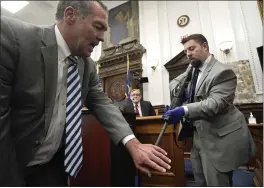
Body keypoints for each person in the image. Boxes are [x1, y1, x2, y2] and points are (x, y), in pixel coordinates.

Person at [0, 1, 171, 186]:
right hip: (11, 164)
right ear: (70, 15)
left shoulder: (87, 65)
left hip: (51, 167)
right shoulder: (15, 37)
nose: (103, 38)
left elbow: (102, 103)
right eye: (98, 27)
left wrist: (133, 144)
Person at [163, 34, 256, 186]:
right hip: (197, 137)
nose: (188, 54)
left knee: (216, 183)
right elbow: (173, 83)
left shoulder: (222, 72)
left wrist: (183, 109)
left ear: (205, 46)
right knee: (200, 182)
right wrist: (178, 96)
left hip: (218, 138)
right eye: (186, 51)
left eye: (192, 49)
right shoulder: (192, 69)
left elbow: (215, 104)